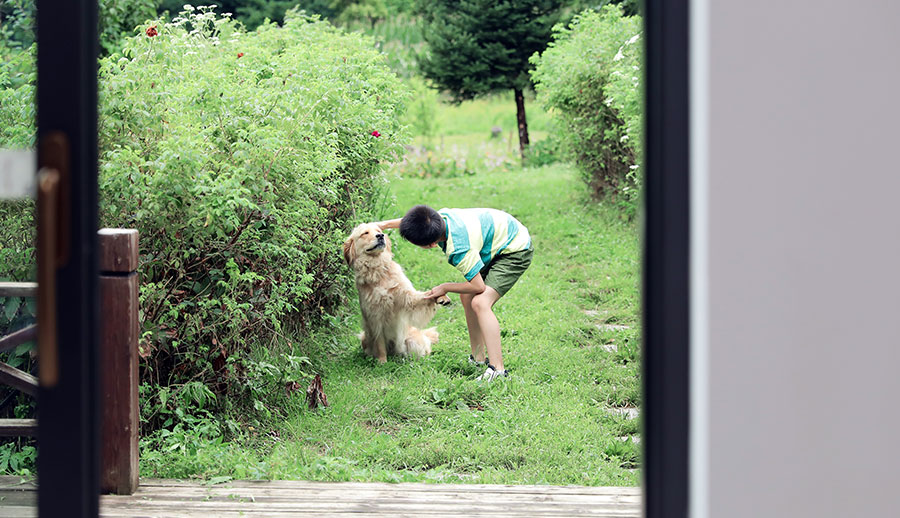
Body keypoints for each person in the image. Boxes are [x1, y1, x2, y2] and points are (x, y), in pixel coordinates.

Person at [375, 205, 533, 381]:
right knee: (467, 296)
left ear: (432, 244)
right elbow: (414, 222)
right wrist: (384, 225)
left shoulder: (459, 250)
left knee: (480, 303)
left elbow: (478, 287)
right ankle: (478, 358)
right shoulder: (440, 218)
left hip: (514, 249)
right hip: (500, 235)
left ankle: (498, 370)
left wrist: (445, 287)